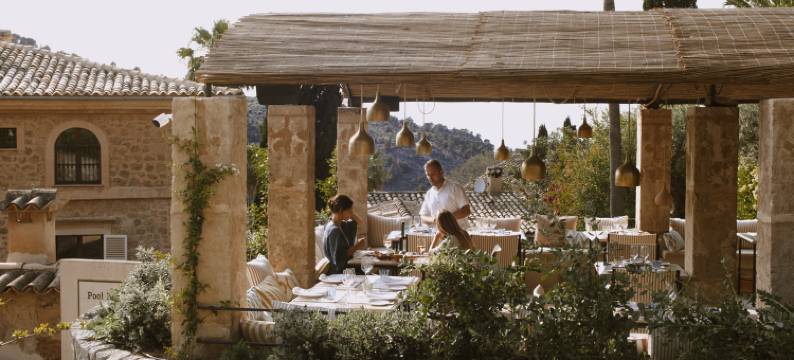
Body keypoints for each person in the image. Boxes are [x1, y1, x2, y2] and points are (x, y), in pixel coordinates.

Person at [419, 159, 471, 229]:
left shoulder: (455, 188)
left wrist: (446, 219)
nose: (430, 178)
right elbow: (423, 217)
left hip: (458, 235)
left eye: (433, 174)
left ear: (441, 172)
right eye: (428, 175)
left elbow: (466, 211)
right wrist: (435, 220)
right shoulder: (429, 194)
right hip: (438, 236)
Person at [322, 194, 367, 274]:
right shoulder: (334, 230)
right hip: (340, 272)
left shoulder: (339, 224)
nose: (351, 213)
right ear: (340, 210)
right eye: (350, 211)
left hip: (346, 267)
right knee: (369, 270)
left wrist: (350, 213)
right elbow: (339, 258)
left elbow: (359, 222)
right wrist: (357, 246)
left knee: (368, 268)